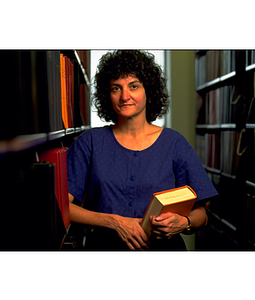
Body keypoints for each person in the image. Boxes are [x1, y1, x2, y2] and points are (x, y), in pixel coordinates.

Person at [67, 50, 218, 250]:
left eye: (134, 86)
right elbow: (62, 207)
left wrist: (184, 223)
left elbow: (201, 214)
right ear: (108, 95)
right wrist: (115, 222)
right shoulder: (89, 142)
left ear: (149, 89)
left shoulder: (175, 143)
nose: (125, 96)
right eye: (116, 88)